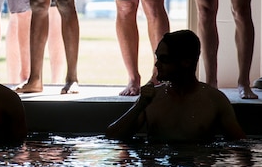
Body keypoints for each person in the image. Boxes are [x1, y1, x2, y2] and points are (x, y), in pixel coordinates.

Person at [105, 30, 245, 142]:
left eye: (164, 59)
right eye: (157, 58)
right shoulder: (151, 99)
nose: (157, 64)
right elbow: (112, 137)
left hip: (196, 165)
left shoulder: (214, 100)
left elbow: (239, 145)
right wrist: (139, 106)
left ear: (186, 62)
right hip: (159, 166)